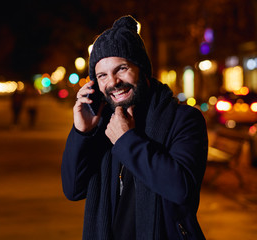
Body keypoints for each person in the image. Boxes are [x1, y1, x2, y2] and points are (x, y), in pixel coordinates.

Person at [61, 15, 208, 240]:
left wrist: (126, 140)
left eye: (121, 68)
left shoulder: (184, 119)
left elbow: (181, 189)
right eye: (102, 75)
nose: (113, 82)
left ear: (141, 68)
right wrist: (83, 133)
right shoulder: (102, 126)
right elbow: (73, 190)